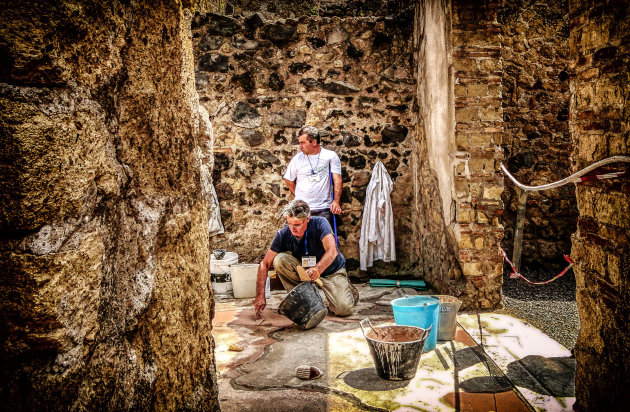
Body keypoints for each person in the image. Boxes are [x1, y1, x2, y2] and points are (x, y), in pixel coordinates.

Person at [254, 200, 357, 319]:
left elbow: (332, 251)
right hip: (305, 272)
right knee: (279, 260)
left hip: (330, 271)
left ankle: (349, 291)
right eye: (289, 223)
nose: (292, 229)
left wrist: (318, 269)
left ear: (307, 219)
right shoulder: (284, 234)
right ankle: (303, 299)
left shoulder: (320, 223)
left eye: (297, 224)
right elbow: (264, 264)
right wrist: (260, 295)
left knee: (343, 309)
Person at [283, 125, 342, 232]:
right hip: (303, 209)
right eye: (300, 143)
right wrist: (298, 196)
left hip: (323, 207)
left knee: (325, 240)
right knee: (303, 241)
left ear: (314, 142)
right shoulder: (297, 159)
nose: (300, 146)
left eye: (303, 143)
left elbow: (337, 180)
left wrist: (336, 201)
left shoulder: (330, 156)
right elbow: (288, 180)